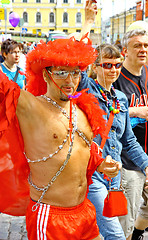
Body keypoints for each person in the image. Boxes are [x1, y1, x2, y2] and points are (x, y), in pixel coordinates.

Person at [0, 36, 123, 240]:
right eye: (62, 73)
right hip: (49, 217)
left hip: (85, 212)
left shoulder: (83, 110)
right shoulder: (32, 107)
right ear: (46, 75)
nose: (70, 81)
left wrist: (102, 164)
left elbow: (83, 150)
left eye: (75, 73)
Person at [77, 43, 148, 240]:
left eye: (117, 65)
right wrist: (87, 23)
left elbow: (128, 139)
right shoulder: (87, 90)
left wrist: (146, 164)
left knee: (99, 230)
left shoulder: (120, 99)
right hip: (91, 173)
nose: (113, 70)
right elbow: (77, 61)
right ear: (94, 67)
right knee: (115, 234)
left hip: (113, 177)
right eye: (107, 65)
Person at [113, 29, 148, 240]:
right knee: (125, 217)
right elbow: (104, 110)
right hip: (127, 158)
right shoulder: (116, 76)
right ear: (125, 51)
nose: (143, 50)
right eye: (137, 46)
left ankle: (138, 232)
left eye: (145, 46)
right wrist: (133, 111)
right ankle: (129, 233)